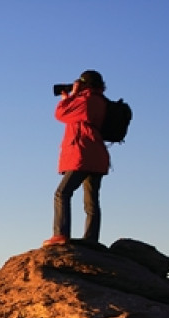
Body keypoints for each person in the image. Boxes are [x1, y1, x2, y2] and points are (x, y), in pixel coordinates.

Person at [43, 70, 110, 247]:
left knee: (62, 193)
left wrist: (69, 96)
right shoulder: (100, 101)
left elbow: (60, 114)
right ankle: (91, 239)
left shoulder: (86, 100)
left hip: (83, 154)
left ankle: (61, 234)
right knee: (91, 201)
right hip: (97, 156)